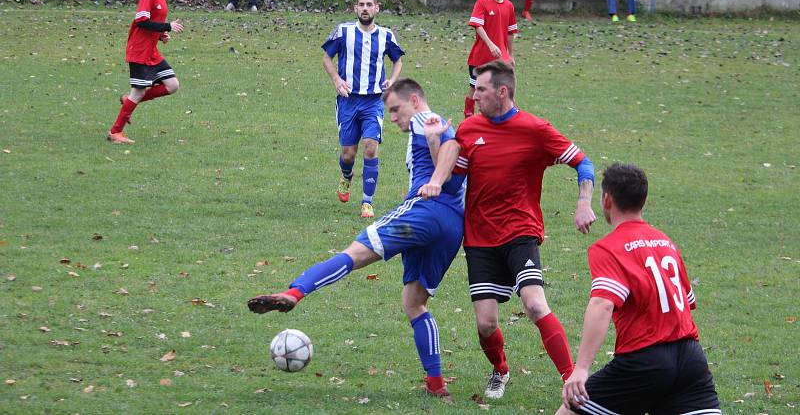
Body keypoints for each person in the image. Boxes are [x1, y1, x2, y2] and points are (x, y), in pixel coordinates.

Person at [248, 79, 465, 399]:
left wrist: (433, 180)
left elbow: (450, 146)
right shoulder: (431, 127)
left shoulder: (426, 119)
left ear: (415, 100)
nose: (392, 118)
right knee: (414, 303)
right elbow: (451, 157)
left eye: (395, 109)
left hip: (424, 211)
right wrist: (437, 163)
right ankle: (437, 386)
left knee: (354, 254)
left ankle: (295, 292)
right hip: (452, 226)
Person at [419, 60, 596, 400]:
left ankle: (572, 380)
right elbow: (454, 181)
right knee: (486, 323)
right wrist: (433, 143)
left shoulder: (535, 129)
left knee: (534, 305)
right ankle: (500, 370)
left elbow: (582, 162)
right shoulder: (470, 129)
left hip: (520, 231)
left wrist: (584, 202)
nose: (475, 95)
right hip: (480, 236)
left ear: (502, 91)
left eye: (481, 90)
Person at [559, 163, 720, 415]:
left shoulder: (608, 247)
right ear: (643, 200)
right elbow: (687, 301)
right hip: (691, 361)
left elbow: (602, 304)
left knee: (570, 410)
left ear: (606, 199)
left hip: (644, 362)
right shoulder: (666, 242)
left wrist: (580, 368)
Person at [321, 0, 404, 218]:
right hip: (348, 101)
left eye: (369, 4)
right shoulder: (343, 31)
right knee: (348, 153)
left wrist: (392, 80)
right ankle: (346, 176)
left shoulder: (386, 36)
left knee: (370, 146)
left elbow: (398, 61)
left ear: (377, 8)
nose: (365, 8)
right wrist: (337, 80)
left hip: (373, 101)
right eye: (361, 5)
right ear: (355, 9)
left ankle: (367, 202)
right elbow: (326, 57)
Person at [107, 0, 184, 144]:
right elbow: (141, 21)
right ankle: (115, 132)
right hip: (139, 53)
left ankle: (128, 101)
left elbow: (150, 24)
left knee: (172, 85)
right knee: (138, 92)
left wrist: (160, 35)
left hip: (152, 52)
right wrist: (168, 26)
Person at [463, 0, 517, 119]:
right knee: (474, 88)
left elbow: (510, 32)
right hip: (480, 57)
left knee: (505, 88)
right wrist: (491, 44)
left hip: (501, 59)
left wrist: (510, 54)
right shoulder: (482, 2)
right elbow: (478, 26)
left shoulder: (509, 6)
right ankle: (468, 115)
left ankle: (510, 118)